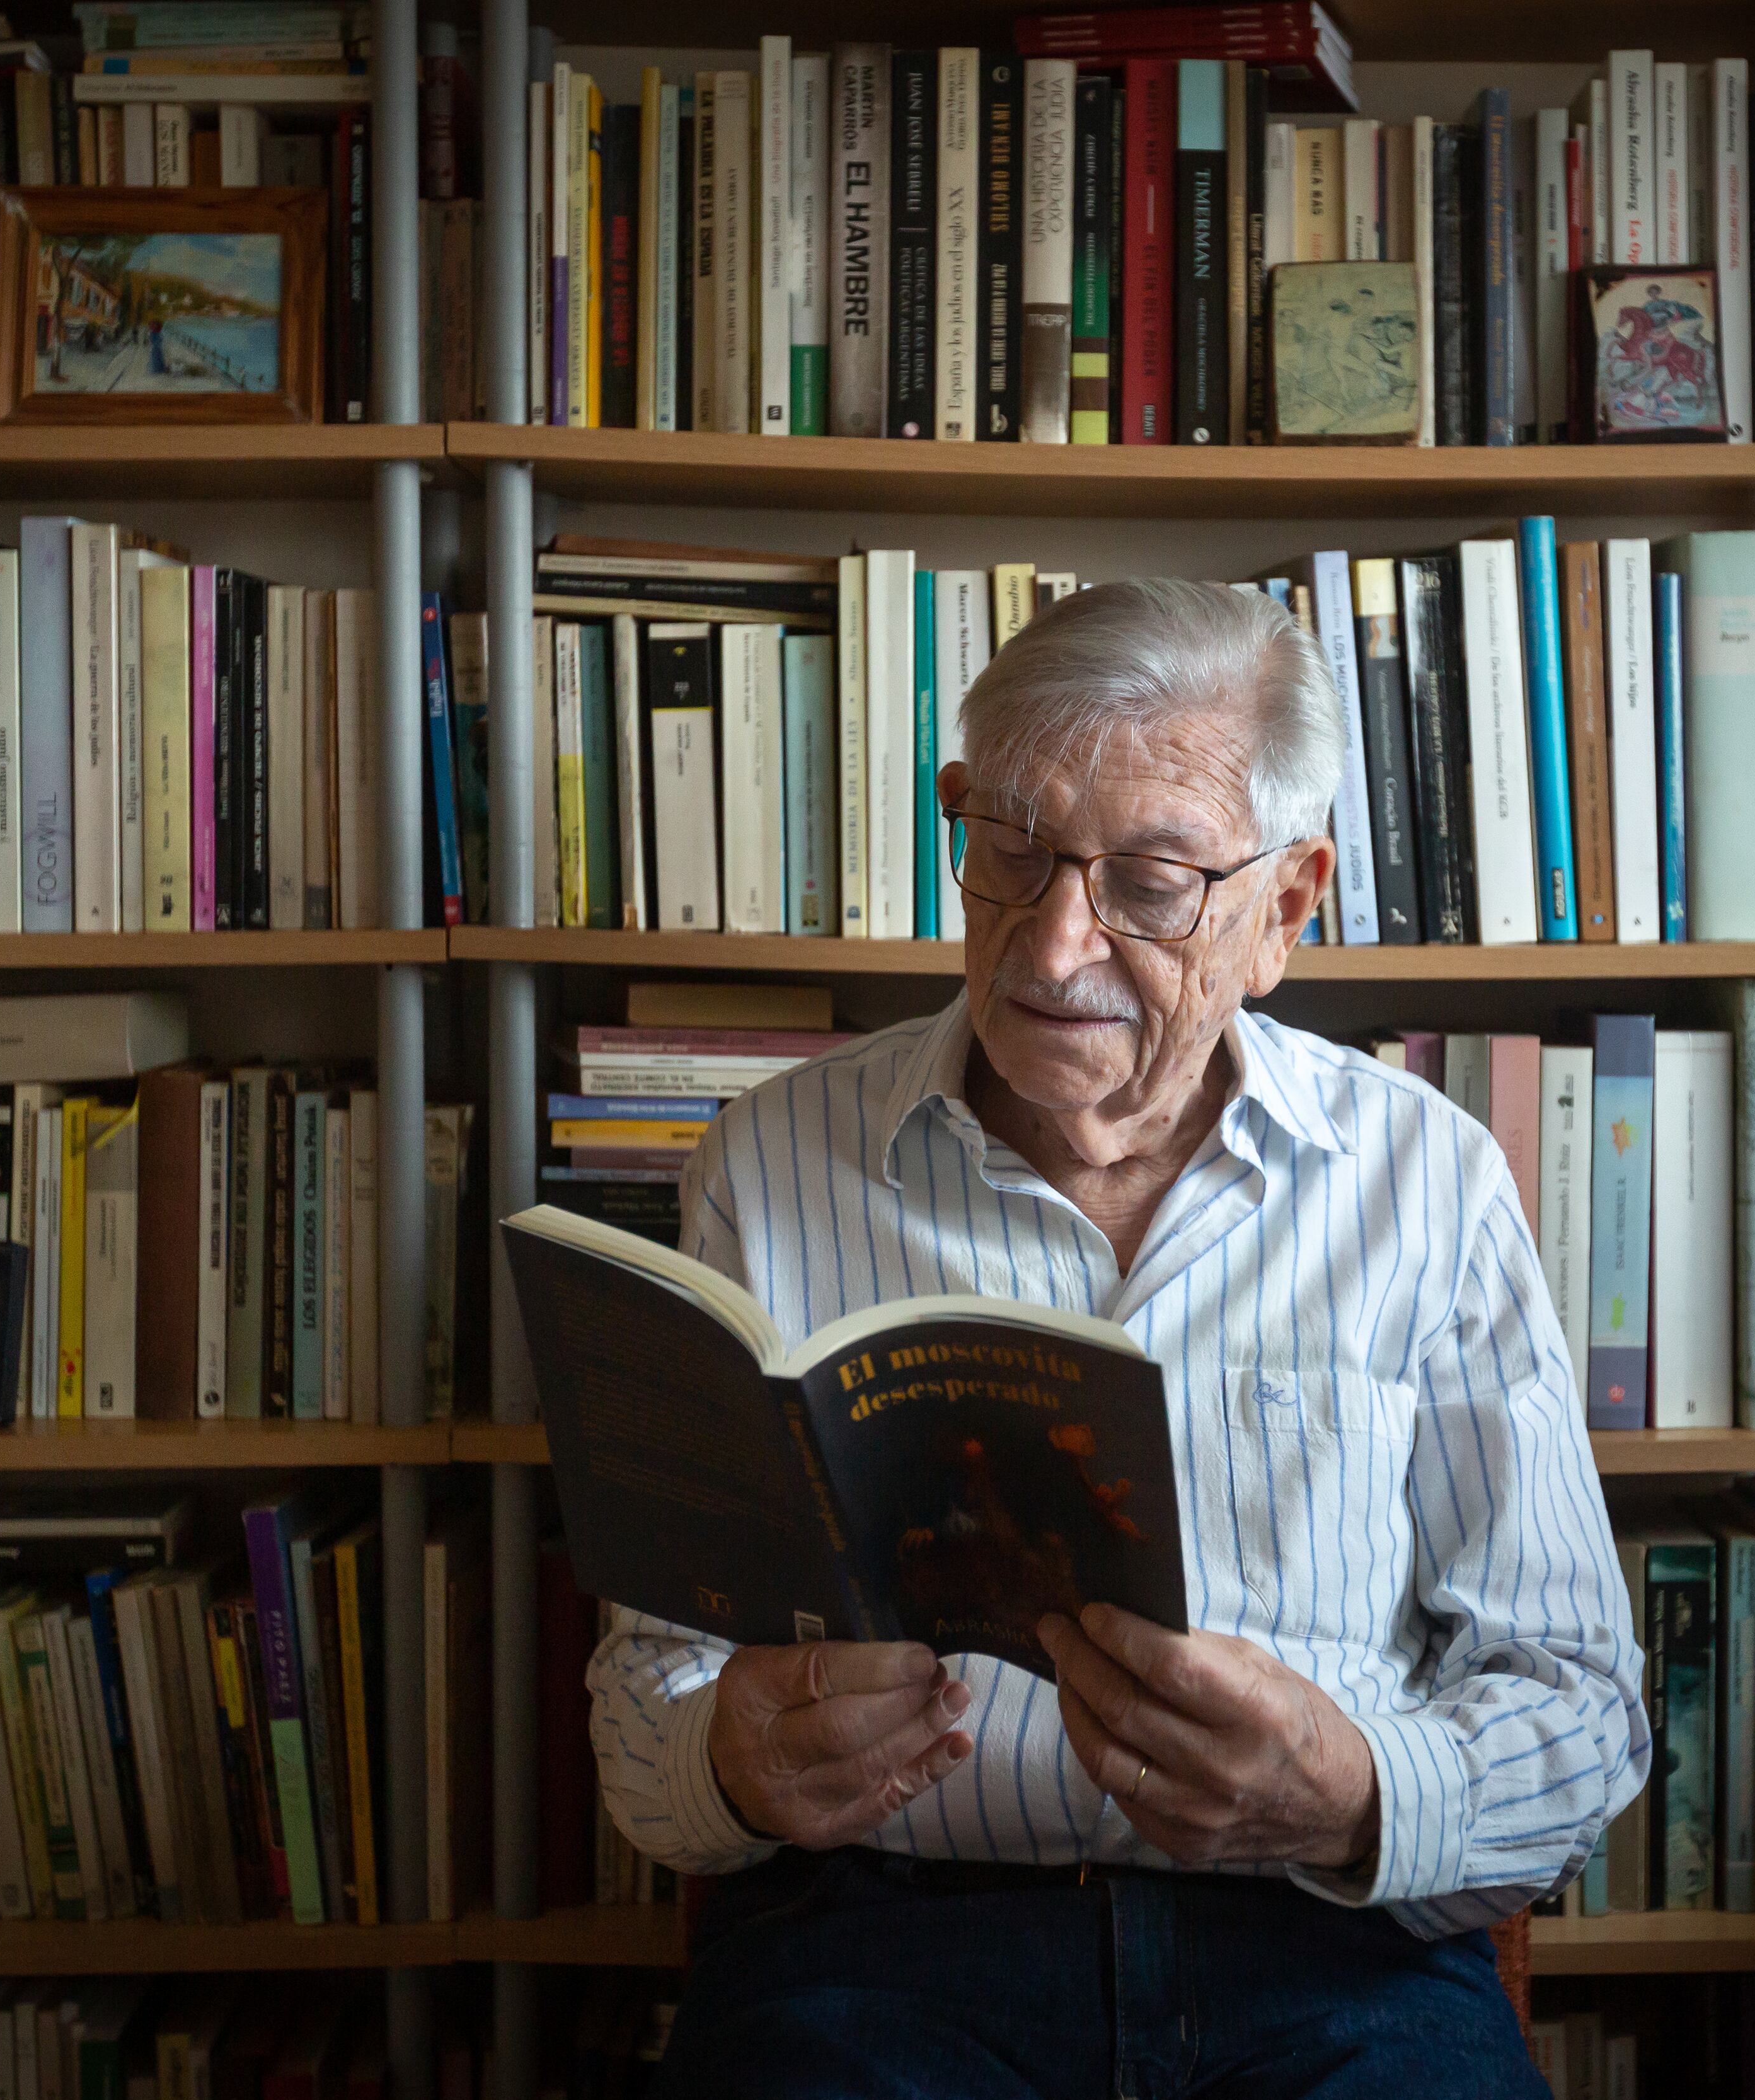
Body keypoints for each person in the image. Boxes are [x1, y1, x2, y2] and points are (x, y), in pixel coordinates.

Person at [589, 578, 1645, 2097]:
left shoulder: (1429, 1179)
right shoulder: (770, 1161)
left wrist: (1350, 1789)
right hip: (882, 1959)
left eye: (1149, 882)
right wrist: (729, 1764)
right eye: (1013, 850)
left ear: (1282, 910)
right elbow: (646, 1700)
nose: (1054, 940)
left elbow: (1580, 1716)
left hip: (1325, 1955)